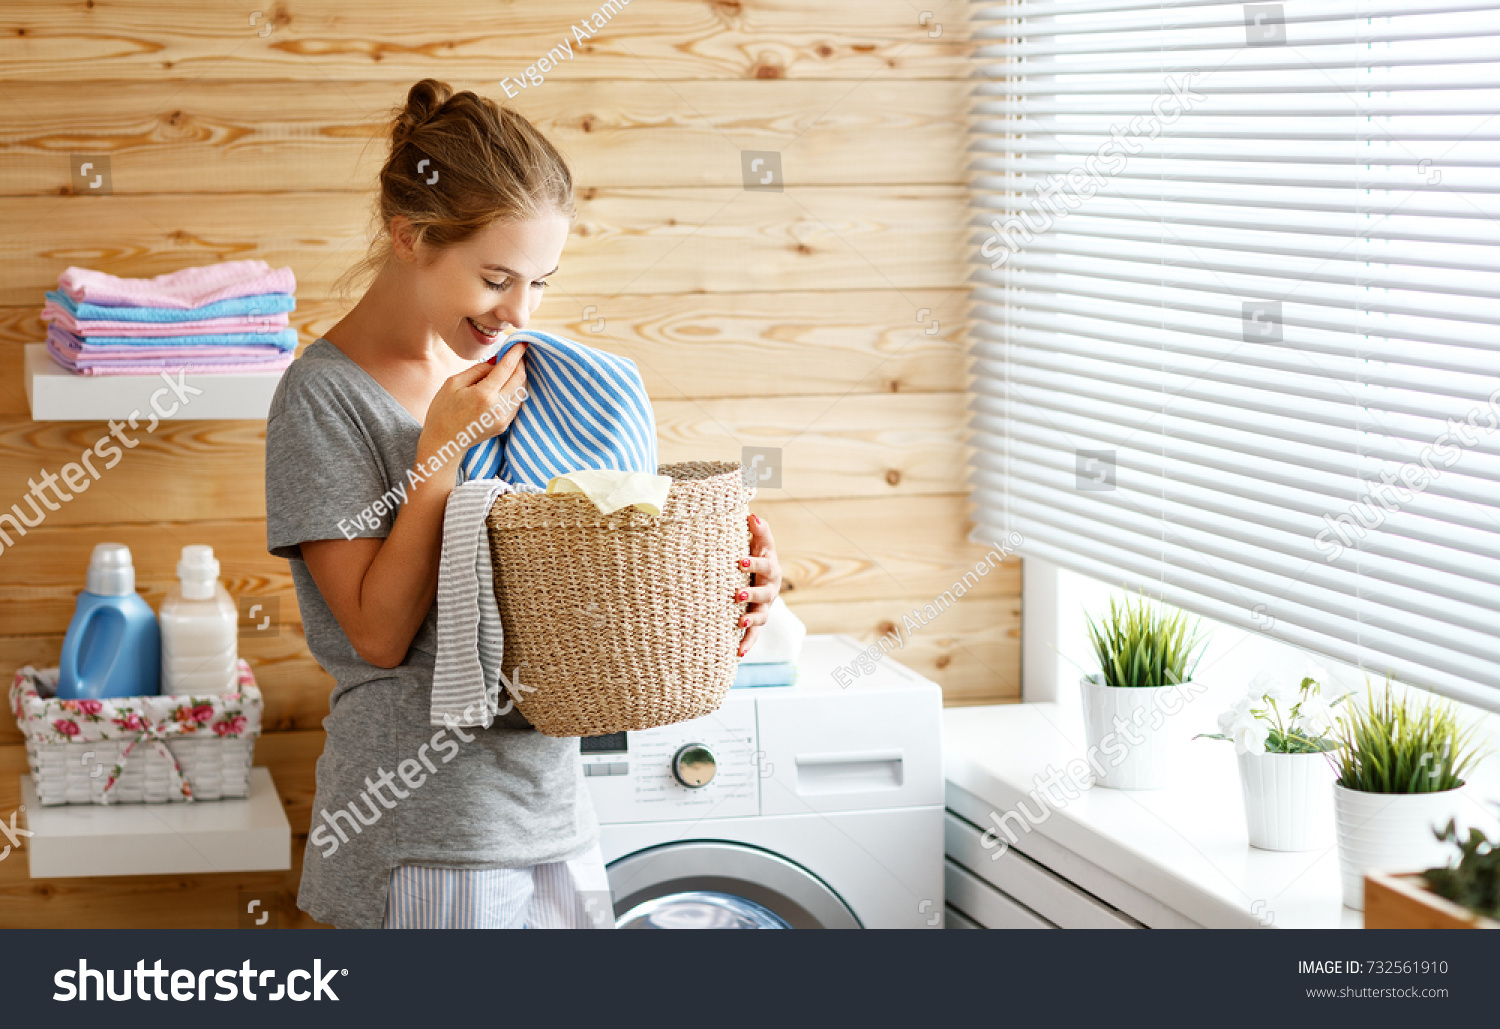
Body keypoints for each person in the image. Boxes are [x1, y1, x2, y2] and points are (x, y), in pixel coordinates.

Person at [264, 78, 783, 929]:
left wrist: (724, 586)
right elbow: (376, 632)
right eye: (497, 277)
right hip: (427, 828)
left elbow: (587, 577)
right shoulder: (323, 398)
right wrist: (441, 450)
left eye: (540, 281)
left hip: (555, 809)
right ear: (411, 236)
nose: (520, 311)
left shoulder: (531, 378)